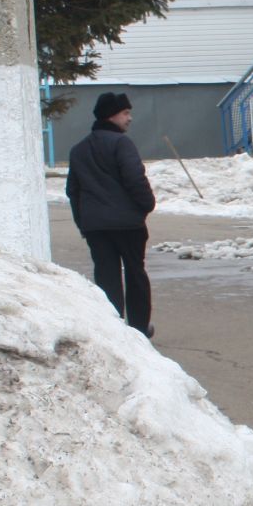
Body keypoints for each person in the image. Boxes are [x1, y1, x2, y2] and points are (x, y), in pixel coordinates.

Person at [65, 91, 156, 337]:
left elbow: (73, 190)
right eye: (126, 113)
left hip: (96, 227)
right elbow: (135, 178)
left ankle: (113, 329)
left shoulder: (78, 149)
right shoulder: (121, 143)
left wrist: (83, 222)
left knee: (107, 277)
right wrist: (146, 205)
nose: (130, 118)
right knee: (135, 273)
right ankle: (138, 330)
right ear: (111, 116)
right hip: (128, 225)